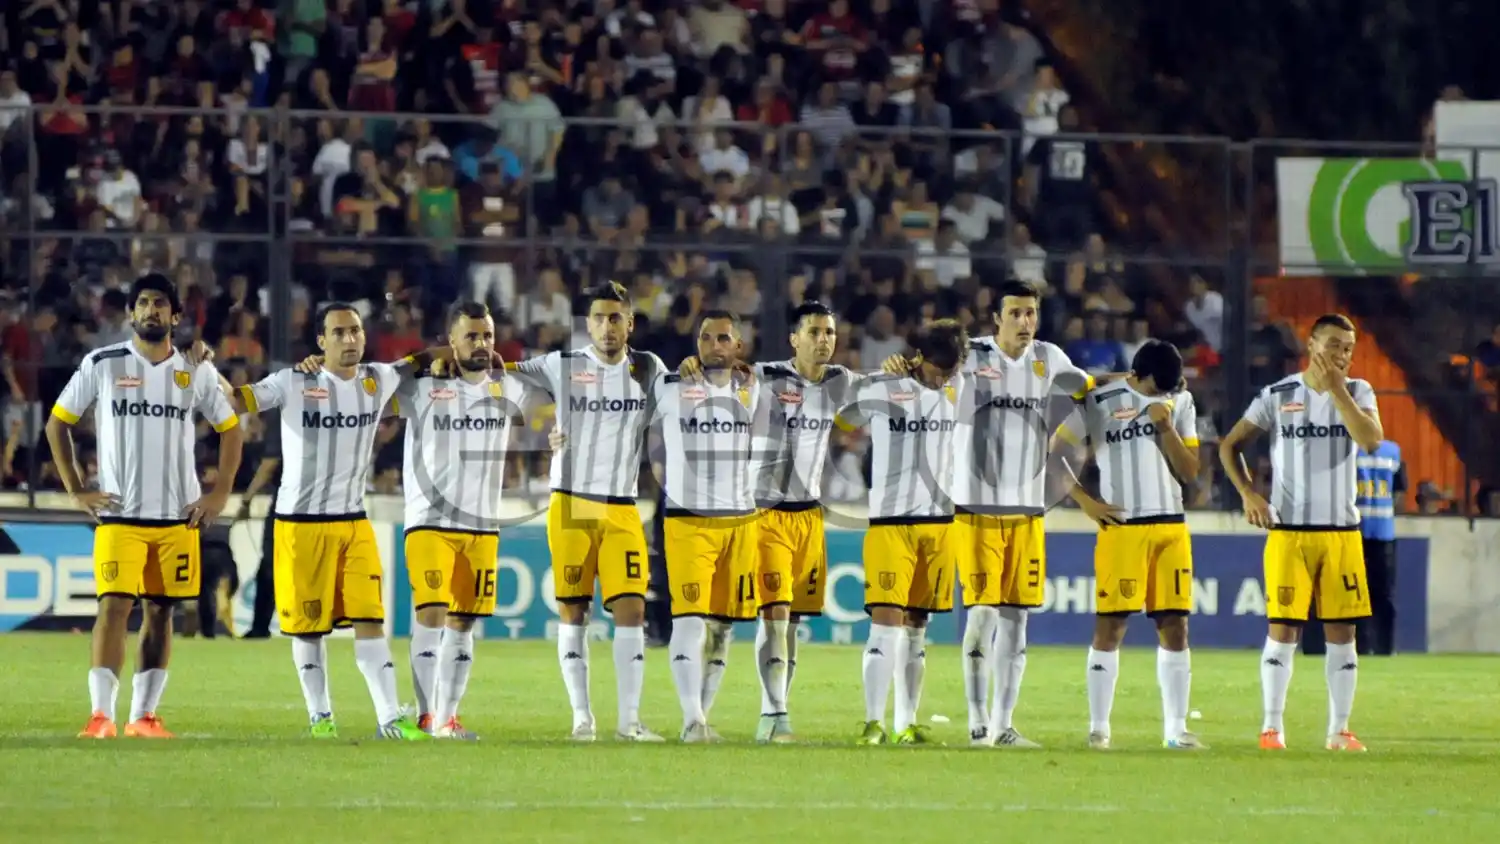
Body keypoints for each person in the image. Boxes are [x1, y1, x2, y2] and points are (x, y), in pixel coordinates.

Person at [46, 273, 244, 739]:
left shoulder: (197, 370)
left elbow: (231, 429)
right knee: (113, 606)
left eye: (160, 304)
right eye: (143, 303)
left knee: (161, 613)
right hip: (119, 514)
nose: (151, 310)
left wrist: (219, 494)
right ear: (131, 313)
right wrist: (76, 489)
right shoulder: (103, 362)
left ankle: (144, 717)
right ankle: (100, 716)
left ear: (175, 316)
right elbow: (58, 424)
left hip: (177, 517)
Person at [225, 303, 434, 740]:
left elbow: (420, 361)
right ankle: (321, 717)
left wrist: (453, 350)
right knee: (308, 628)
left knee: (370, 618)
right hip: (299, 525)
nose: (350, 338)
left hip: (353, 522)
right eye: (338, 332)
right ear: (321, 342)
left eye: (355, 330)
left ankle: (389, 720)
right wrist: (207, 374)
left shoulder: (377, 380)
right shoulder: (293, 381)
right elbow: (236, 400)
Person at [679, 301, 855, 743]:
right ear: (794, 339)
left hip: (809, 517)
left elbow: (887, 392)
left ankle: (766, 713)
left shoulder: (841, 382)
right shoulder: (764, 376)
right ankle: (767, 715)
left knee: (790, 621)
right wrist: (694, 364)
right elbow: (719, 374)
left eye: (829, 332)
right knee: (769, 616)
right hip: (763, 513)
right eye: (813, 332)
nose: (823, 340)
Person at [510, 282, 668, 742]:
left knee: (633, 610)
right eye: (598, 318)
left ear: (630, 323)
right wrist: (541, 430)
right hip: (572, 502)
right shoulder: (562, 365)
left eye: (616, 318)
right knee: (573, 610)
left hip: (621, 507)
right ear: (587, 324)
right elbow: (504, 374)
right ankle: (582, 717)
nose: (606, 327)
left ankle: (629, 722)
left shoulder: (648, 368)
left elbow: (680, 395)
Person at [1218, 314, 1383, 752]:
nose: (1342, 355)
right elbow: (1229, 445)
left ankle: (1339, 731)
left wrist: (1339, 393)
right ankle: (1272, 727)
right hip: (1289, 532)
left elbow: (1370, 440)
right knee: (1283, 629)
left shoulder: (1360, 391)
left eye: (1348, 347)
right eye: (1333, 345)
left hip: (1342, 533)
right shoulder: (1278, 395)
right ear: (1311, 345)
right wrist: (1249, 493)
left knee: (1342, 633)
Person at [943, 280, 1093, 748]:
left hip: (1028, 509)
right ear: (996, 319)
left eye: (1031, 313)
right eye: (1016, 314)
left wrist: (1066, 438)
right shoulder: (970, 356)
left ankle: (1005, 724)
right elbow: (927, 377)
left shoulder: (1050, 358)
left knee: (1017, 619)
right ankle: (976, 721)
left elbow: (1088, 394)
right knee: (983, 612)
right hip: (977, 506)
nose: (1025, 322)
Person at [1052, 340, 1206, 750]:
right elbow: (1056, 452)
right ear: (1139, 376)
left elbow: (1190, 472)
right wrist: (1085, 500)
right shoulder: (1099, 400)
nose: (1164, 394)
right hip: (1122, 526)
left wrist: (1166, 427)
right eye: (1158, 387)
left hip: (1171, 527)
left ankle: (1176, 730)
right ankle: (1099, 728)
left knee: (1175, 627)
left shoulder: (1180, 402)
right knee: (1111, 626)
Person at [393, 302, 536, 738]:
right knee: (431, 612)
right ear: (450, 339)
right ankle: (423, 715)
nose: (481, 343)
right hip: (429, 519)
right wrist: (430, 355)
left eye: (487, 335)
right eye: (470, 335)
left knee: (463, 622)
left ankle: (447, 718)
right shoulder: (419, 386)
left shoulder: (509, 388)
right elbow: (374, 379)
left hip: (480, 525)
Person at [840, 319, 970, 746]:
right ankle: (873, 722)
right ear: (919, 358)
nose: (943, 381)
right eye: (936, 373)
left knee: (917, 627)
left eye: (950, 374)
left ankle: (906, 723)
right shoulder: (885, 386)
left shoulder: (960, 386)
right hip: (891, 523)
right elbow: (842, 423)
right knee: (886, 622)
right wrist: (875, 379)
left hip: (939, 523)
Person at [652, 310, 761, 742]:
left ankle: (703, 716)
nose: (714, 345)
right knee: (690, 622)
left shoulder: (756, 389)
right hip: (689, 521)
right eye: (706, 337)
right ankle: (691, 719)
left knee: (723, 628)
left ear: (737, 346)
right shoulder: (670, 386)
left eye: (723, 338)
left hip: (740, 520)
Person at [1355, 439, 1403, 655]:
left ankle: (1362, 647)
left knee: (1356, 595)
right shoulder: (1393, 451)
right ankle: (1385, 647)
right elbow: (1400, 491)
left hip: (1354, 533)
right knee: (1383, 595)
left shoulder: (1347, 450)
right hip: (1384, 532)